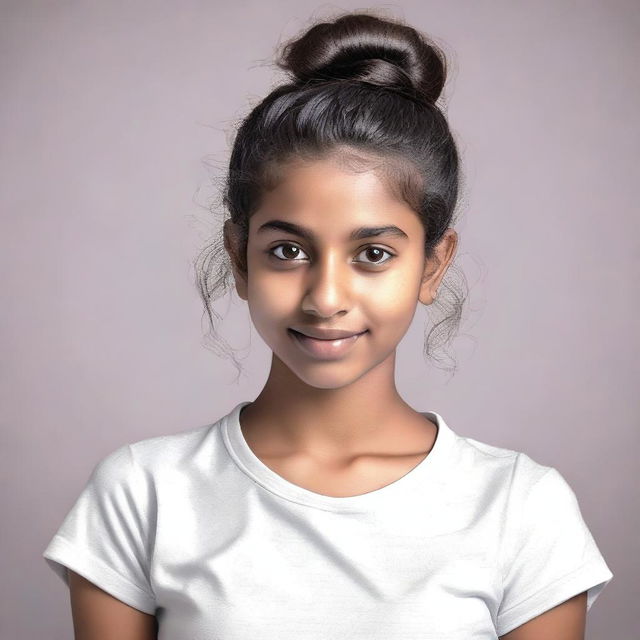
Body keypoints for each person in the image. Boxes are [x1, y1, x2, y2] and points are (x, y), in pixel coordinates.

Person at [42, 10, 613, 639]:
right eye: (288, 251)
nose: (325, 298)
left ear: (432, 266)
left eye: (373, 254)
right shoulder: (143, 494)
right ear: (239, 256)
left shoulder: (520, 507)